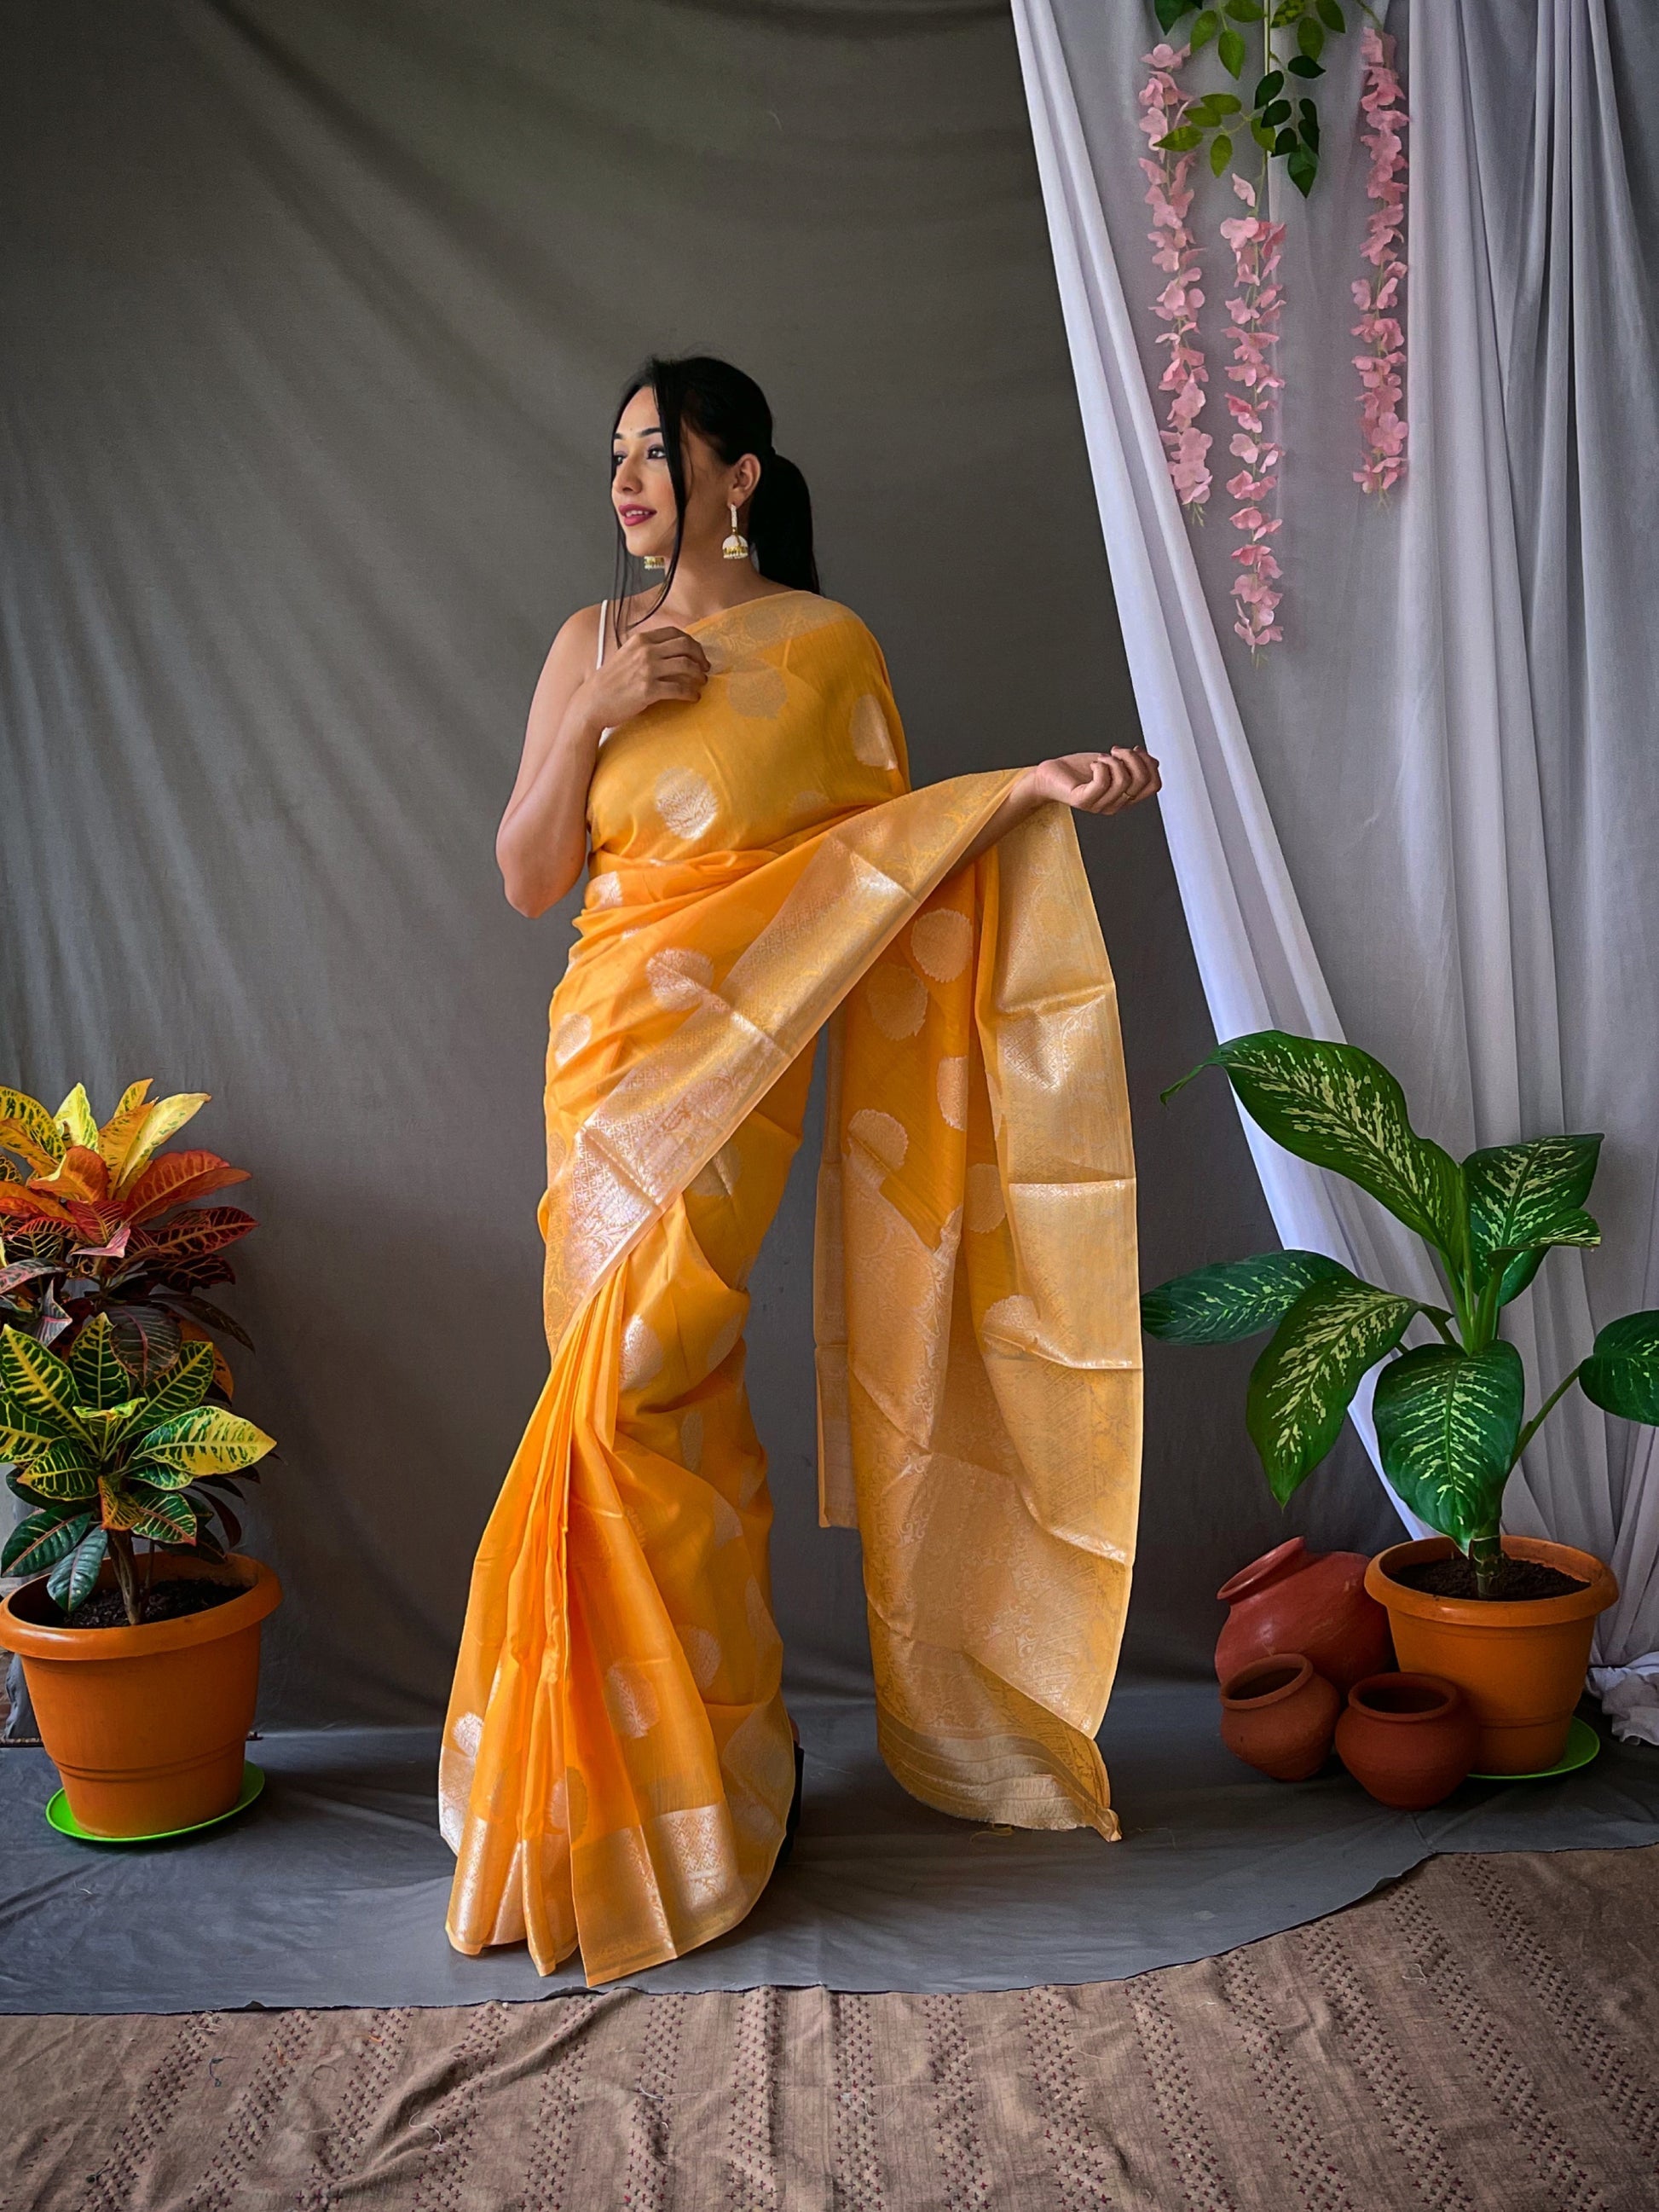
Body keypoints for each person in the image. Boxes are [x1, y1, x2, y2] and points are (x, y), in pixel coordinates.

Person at [442, 355, 1160, 1987]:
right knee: (628, 1390)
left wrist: (1020, 799)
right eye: (613, 454)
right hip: (602, 1053)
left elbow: (876, 872)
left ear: (739, 473)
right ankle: (681, 1786)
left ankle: (668, 1789)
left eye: (657, 451)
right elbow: (524, 866)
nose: (627, 480)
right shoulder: (589, 641)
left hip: (736, 1067)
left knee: (642, 1377)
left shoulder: (829, 651)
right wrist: (601, 713)